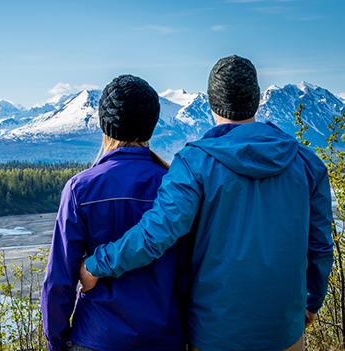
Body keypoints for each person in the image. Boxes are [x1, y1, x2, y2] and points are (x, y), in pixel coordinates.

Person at [80, 55, 334, 351]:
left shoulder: (194, 163)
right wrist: (312, 303)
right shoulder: (306, 162)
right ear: (256, 101)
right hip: (283, 330)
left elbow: (155, 235)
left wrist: (96, 265)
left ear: (212, 105)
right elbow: (319, 246)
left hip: (214, 333)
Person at [41, 75, 186, 351]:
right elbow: (188, 273)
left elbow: (58, 281)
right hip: (163, 338)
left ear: (104, 125)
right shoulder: (174, 186)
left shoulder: (79, 189)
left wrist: (56, 343)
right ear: (151, 125)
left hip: (96, 338)